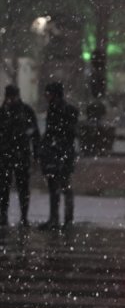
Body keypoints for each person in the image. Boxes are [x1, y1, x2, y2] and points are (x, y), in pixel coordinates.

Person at [38, 81, 79, 230]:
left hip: (62, 152)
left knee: (63, 186)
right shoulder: (54, 109)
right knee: (56, 186)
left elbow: (69, 132)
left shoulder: (66, 110)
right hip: (57, 152)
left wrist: (54, 139)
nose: (46, 97)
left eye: (48, 94)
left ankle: (65, 219)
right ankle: (57, 218)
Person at [0, 84, 40, 227]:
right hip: (10, 154)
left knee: (19, 187)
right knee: (6, 187)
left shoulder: (23, 111)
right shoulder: (8, 111)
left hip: (17, 154)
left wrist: (36, 154)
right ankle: (6, 216)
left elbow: (34, 134)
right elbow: (34, 134)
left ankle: (22, 217)